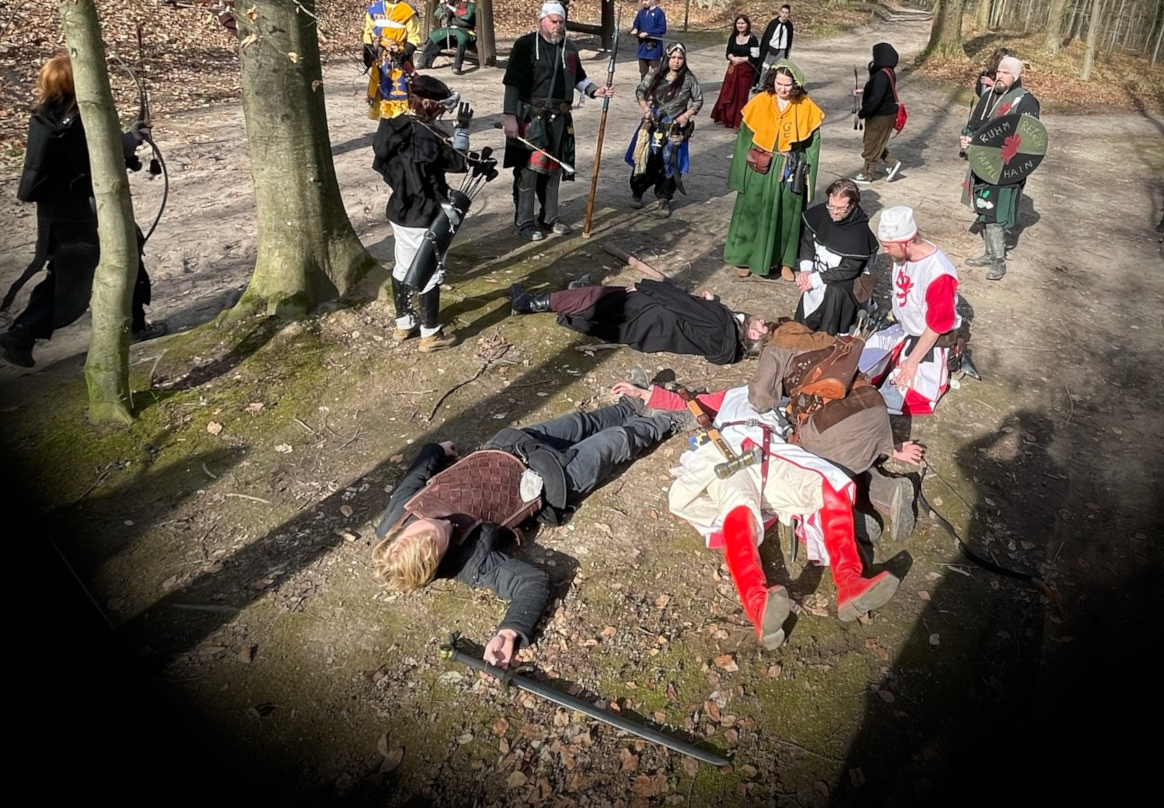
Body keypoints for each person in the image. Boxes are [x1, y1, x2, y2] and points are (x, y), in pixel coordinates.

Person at [372, 398, 680, 669]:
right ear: (439, 560)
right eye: (443, 534)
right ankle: (667, 421)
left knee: (580, 423)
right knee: (615, 441)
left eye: (432, 521)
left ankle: (631, 405)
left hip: (510, 448)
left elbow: (415, 476)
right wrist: (510, 631)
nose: (444, 522)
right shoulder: (471, 564)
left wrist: (436, 451)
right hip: (553, 481)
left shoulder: (399, 516)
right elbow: (531, 583)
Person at [622, 380, 899, 650]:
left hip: (775, 455)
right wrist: (644, 393)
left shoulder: (788, 400)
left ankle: (850, 581)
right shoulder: (730, 395)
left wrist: (891, 447)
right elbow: (687, 402)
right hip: (729, 452)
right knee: (738, 508)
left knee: (829, 483)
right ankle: (758, 604)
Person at [618, 320, 925, 540]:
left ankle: (849, 512)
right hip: (871, 409)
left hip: (830, 429)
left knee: (811, 463)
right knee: (838, 449)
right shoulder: (821, 340)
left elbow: (760, 398)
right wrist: (647, 394)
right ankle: (886, 490)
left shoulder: (777, 357)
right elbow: (694, 404)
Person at [0, 56, 156, 368]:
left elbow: (90, 152)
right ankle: (24, 332)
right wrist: (131, 140)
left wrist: (128, 140)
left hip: (58, 211)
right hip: (80, 211)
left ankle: (23, 332)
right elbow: (98, 154)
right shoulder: (75, 119)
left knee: (71, 271)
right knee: (111, 259)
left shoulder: (49, 113)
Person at [372, 83, 475, 352]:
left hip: (399, 210)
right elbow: (459, 162)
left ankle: (403, 324)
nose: (442, 113)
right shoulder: (427, 136)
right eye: (440, 107)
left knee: (403, 265)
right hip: (426, 215)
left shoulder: (390, 125)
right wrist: (462, 130)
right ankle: (431, 334)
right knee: (431, 271)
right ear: (428, 104)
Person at [501, 2, 613, 241]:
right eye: (554, 21)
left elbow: (579, 77)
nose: (558, 26)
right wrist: (509, 117)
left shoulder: (569, 48)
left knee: (554, 170)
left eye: (561, 22)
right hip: (532, 118)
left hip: (560, 119)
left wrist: (595, 90)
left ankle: (550, 217)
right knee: (529, 171)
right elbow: (512, 83)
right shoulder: (525, 45)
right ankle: (524, 221)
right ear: (541, 21)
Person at [509, 276, 769, 365]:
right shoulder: (728, 350)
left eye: (763, 327)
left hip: (648, 314)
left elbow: (680, 303)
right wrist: (713, 304)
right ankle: (577, 294)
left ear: (753, 335)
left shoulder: (720, 323)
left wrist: (646, 286)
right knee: (603, 310)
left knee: (599, 298)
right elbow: (702, 324)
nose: (762, 322)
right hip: (650, 335)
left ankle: (532, 303)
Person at [859, 206, 967, 416]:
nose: (885, 251)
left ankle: (951, 358)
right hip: (903, 330)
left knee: (896, 401)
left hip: (930, 339)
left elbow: (936, 326)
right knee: (856, 369)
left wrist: (911, 362)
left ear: (907, 242)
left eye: (888, 246)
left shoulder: (939, 275)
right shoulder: (901, 255)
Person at [725, 60, 823, 280]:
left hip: (789, 168)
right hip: (760, 167)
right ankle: (744, 257)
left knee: (786, 215)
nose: (783, 89)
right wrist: (740, 175)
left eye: (788, 85)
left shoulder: (806, 106)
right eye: (779, 83)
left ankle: (784, 261)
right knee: (752, 211)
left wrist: (808, 178)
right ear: (773, 81)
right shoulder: (761, 101)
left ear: (795, 85)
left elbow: (812, 147)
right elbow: (744, 140)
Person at [959, 54, 1040, 280]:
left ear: (1015, 76)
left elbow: (1028, 139)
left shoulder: (1025, 101)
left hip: (1004, 167)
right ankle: (989, 253)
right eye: (999, 72)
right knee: (984, 206)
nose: (1000, 76)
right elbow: (974, 125)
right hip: (982, 163)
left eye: (1006, 73)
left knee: (995, 212)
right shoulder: (988, 97)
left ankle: (998, 260)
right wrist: (966, 139)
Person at [626, 42, 702, 218]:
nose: (676, 61)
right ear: (667, 58)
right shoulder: (655, 74)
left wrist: (686, 115)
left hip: (674, 128)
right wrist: (646, 109)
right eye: (673, 57)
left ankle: (664, 198)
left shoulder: (689, 79)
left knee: (670, 163)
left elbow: (698, 100)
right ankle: (637, 191)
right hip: (654, 124)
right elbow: (640, 91)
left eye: (680, 58)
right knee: (646, 159)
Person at [794, 178, 877, 336]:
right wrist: (806, 270)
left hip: (843, 284)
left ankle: (829, 335)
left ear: (852, 205)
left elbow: (849, 269)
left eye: (841, 208)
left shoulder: (859, 232)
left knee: (834, 293)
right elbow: (808, 243)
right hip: (818, 271)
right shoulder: (821, 214)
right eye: (831, 206)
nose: (834, 212)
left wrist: (815, 279)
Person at [363, 0, 423, 121]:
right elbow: (368, 31)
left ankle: (400, 119)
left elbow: (414, 35)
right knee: (381, 88)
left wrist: (406, 52)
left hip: (398, 57)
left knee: (400, 88)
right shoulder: (374, 9)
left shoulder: (407, 11)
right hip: (380, 57)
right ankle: (385, 120)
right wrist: (367, 49)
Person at [852, 41, 904, 184]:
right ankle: (892, 163)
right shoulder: (888, 72)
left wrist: (861, 114)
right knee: (876, 141)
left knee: (871, 143)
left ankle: (867, 174)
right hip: (886, 114)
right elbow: (881, 91)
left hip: (881, 115)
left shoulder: (881, 75)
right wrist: (864, 91)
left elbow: (876, 98)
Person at [709, 14, 761, 128]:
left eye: (743, 23)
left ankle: (737, 121)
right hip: (732, 69)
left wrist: (741, 59)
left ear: (747, 25)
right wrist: (732, 58)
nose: (740, 26)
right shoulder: (733, 36)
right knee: (728, 92)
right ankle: (725, 117)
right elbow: (728, 52)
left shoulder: (752, 39)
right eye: (738, 23)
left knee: (741, 95)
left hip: (745, 71)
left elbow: (755, 56)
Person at [419, 0, 477, 75]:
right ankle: (423, 61)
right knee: (435, 37)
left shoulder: (471, 3)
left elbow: (466, 17)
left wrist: (451, 8)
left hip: (466, 30)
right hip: (451, 28)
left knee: (462, 39)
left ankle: (457, 66)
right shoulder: (453, 0)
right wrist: (441, 5)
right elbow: (437, 14)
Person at [631, 0, 666, 76]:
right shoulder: (641, 12)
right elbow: (636, 24)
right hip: (642, 46)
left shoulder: (659, 12)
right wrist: (635, 29)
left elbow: (662, 29)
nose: (644, 3)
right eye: (642, 1)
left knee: (656, 72)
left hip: (654, 47)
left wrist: (648, 33)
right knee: (643, 73)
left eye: (646, 0)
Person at [758, 4, 795, 84]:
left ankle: (772, 86)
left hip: (782, 50)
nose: (784, 15)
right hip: (771, 49)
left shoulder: (789, 26)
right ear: (780, 12)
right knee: (765, 68)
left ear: (789, 14)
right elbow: (766, 37)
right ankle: (761, 86)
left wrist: (787, 52)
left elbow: (789, 40)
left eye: (786, 13)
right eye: (783, 12)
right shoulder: (773, 23)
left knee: (777, 70)